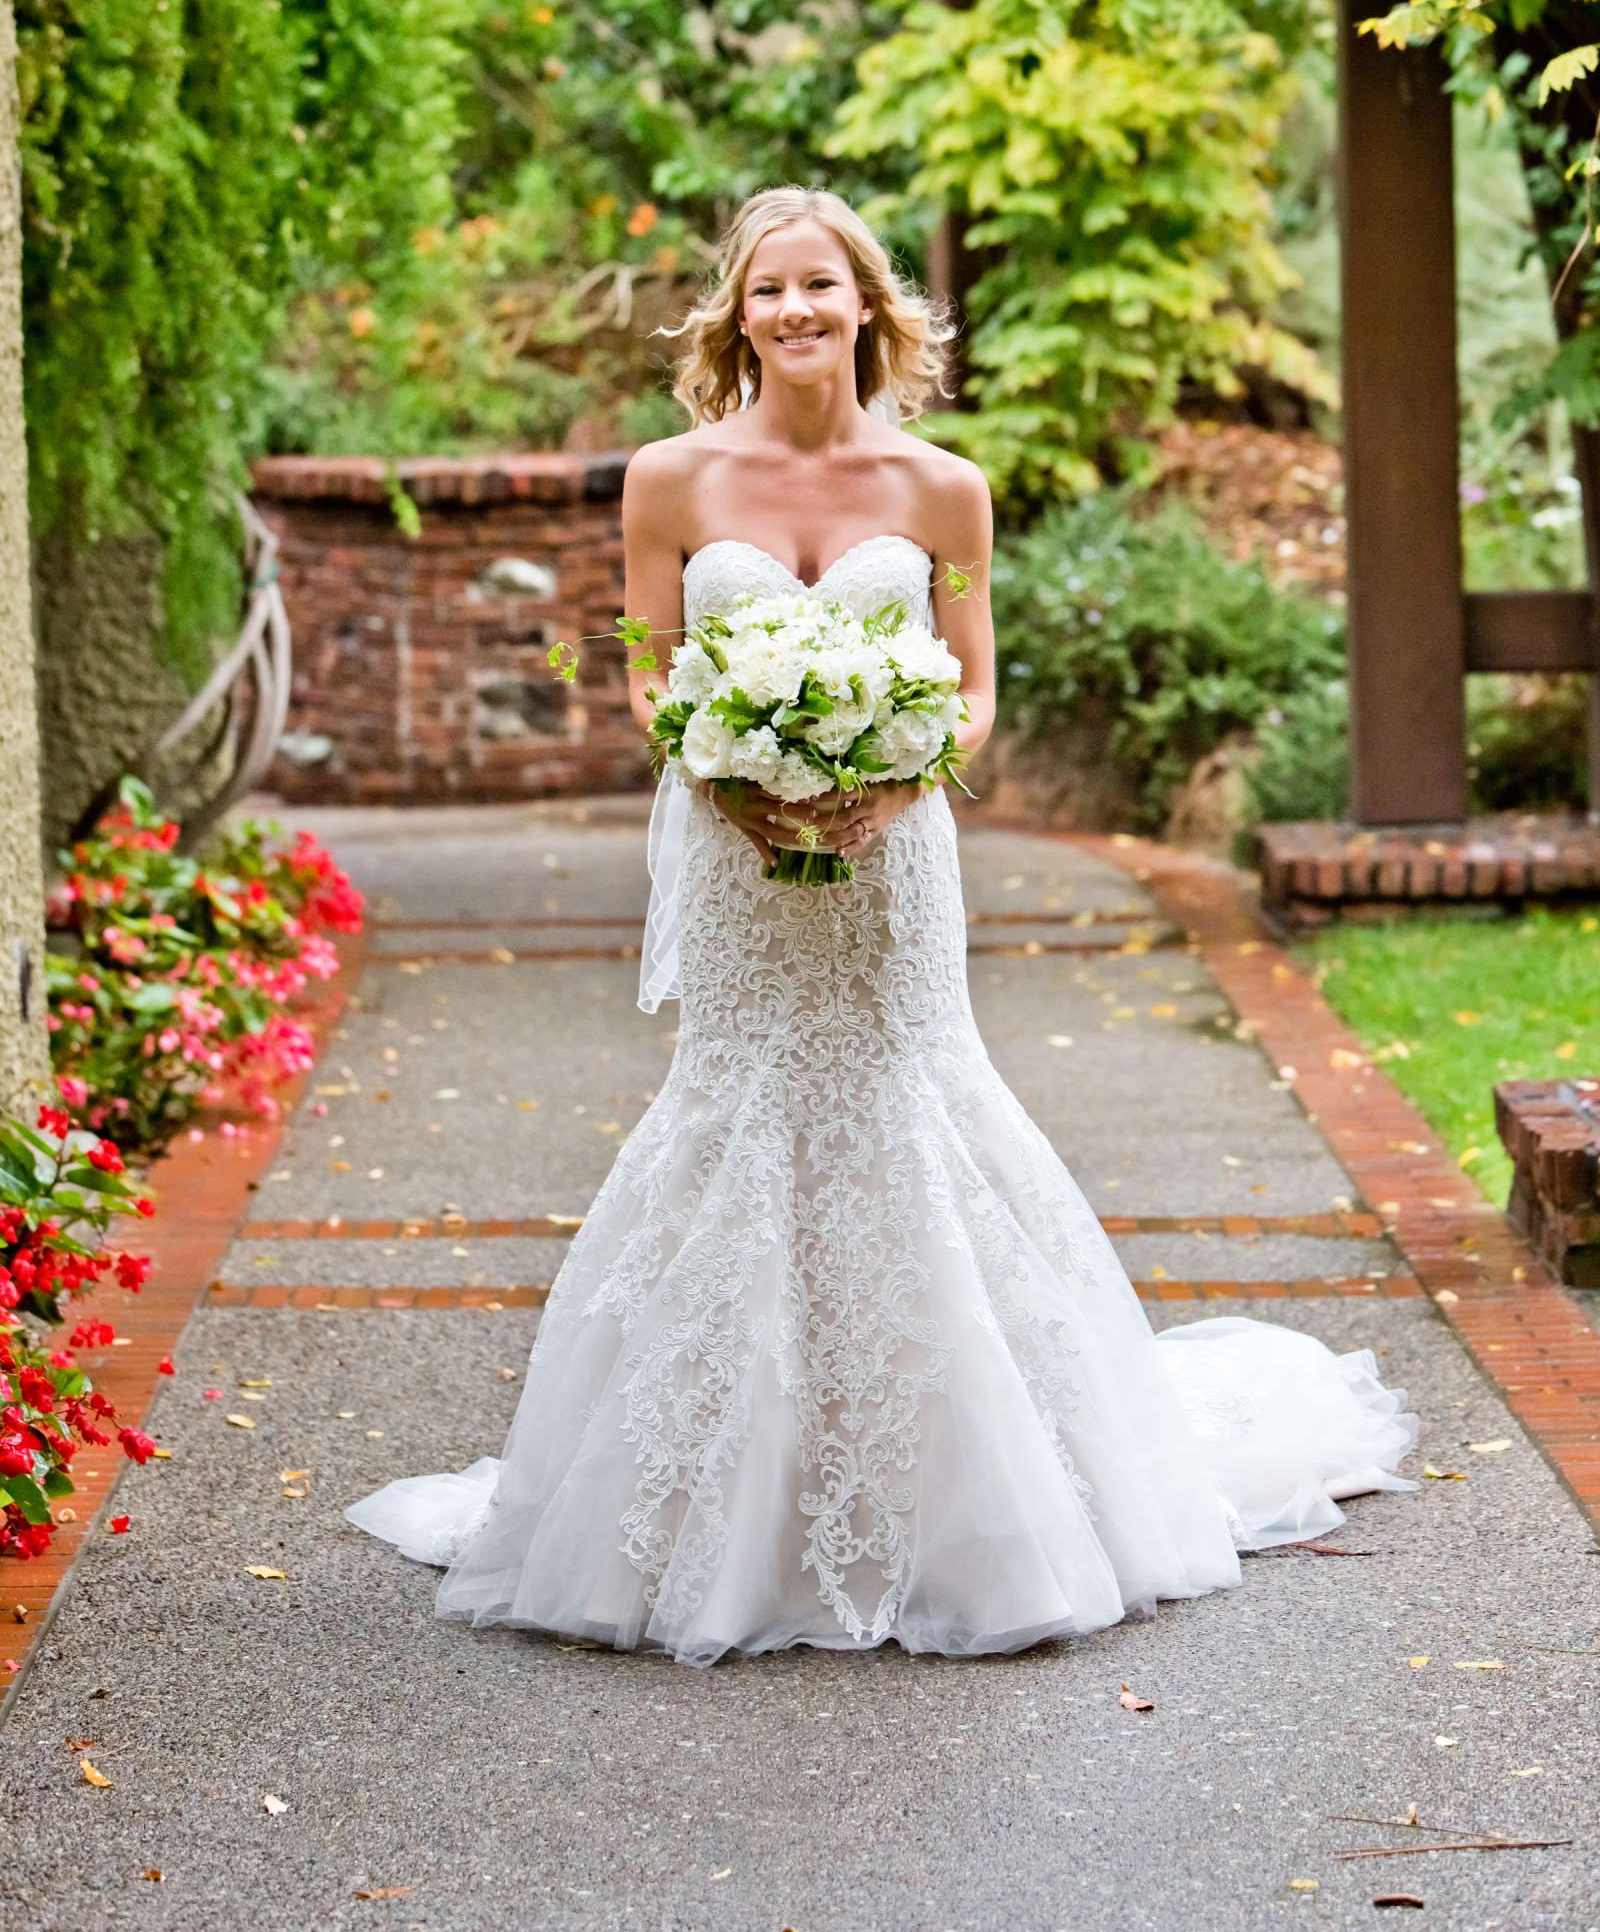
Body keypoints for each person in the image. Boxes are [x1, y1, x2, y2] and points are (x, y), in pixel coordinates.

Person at [344, 184, 1419, 1666]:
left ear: (866, 308)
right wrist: (714, 768)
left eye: (819, 286)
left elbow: (973, 681)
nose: (793, 310)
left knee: (909, 1108)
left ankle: (968, 1494)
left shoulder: (942, 491)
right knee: (737, 1109)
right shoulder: (667, 479)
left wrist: (903, 785)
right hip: (738, 861)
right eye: (766, 289)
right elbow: (653, 673)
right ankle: (716, 1506)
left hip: (891, 866)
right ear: (738, 314)